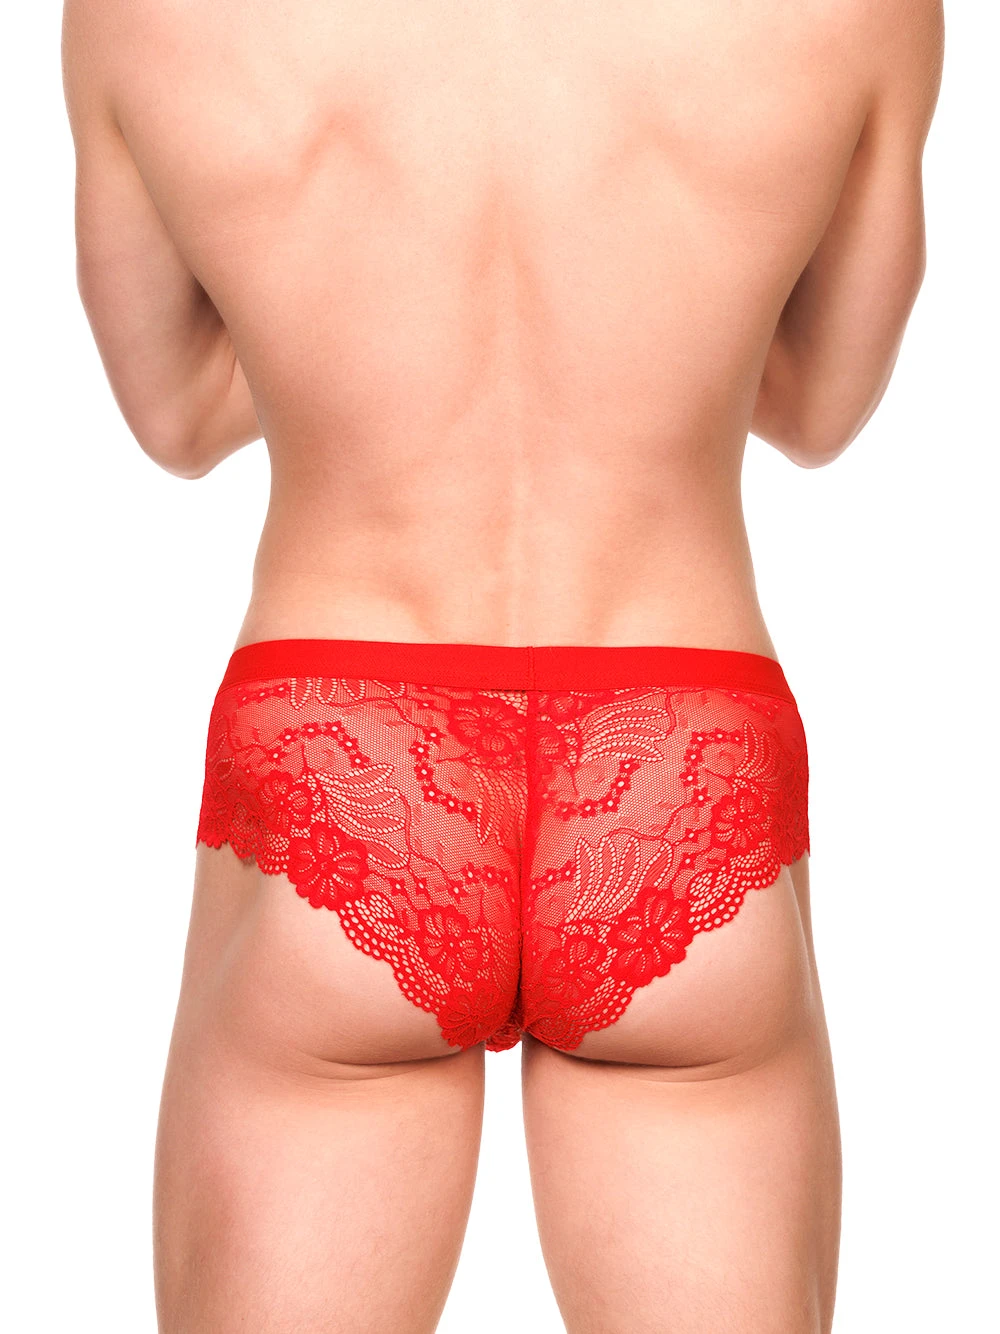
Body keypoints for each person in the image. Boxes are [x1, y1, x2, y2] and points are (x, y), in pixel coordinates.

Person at [62, 1, 943, 1330]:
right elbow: (818, 406)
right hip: (678, 745)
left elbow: (178, 413)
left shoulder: (147, 17)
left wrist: (354, 342)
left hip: (345, 737)